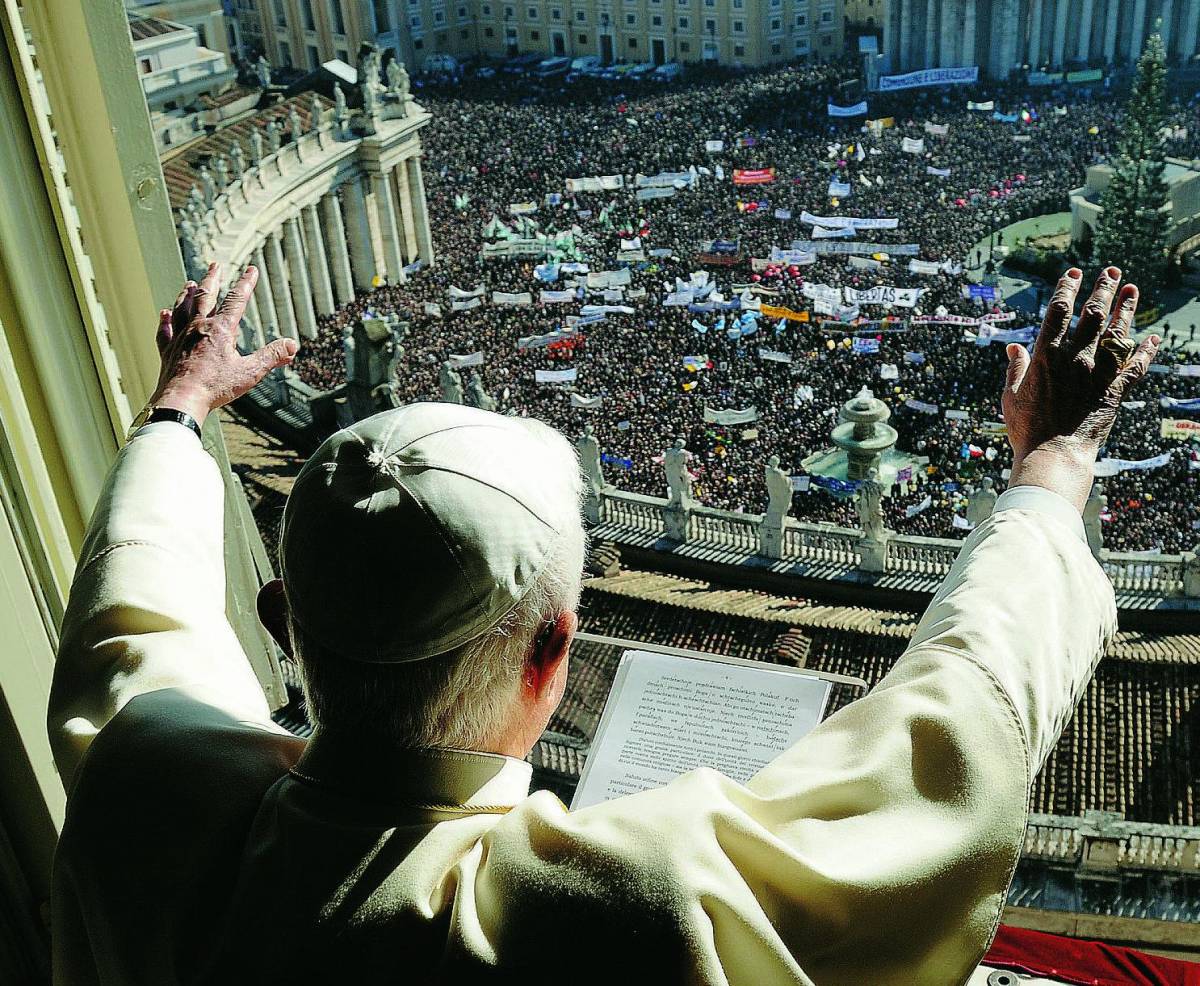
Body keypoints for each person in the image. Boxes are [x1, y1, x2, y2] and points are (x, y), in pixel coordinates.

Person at [49, 262, 1158, 983]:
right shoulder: (617, 914)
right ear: (554, 651)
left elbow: (136, 617)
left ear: (283, 621)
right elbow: (948, 743)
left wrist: (179, 407)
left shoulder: (144, 792)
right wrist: (1055, 461)